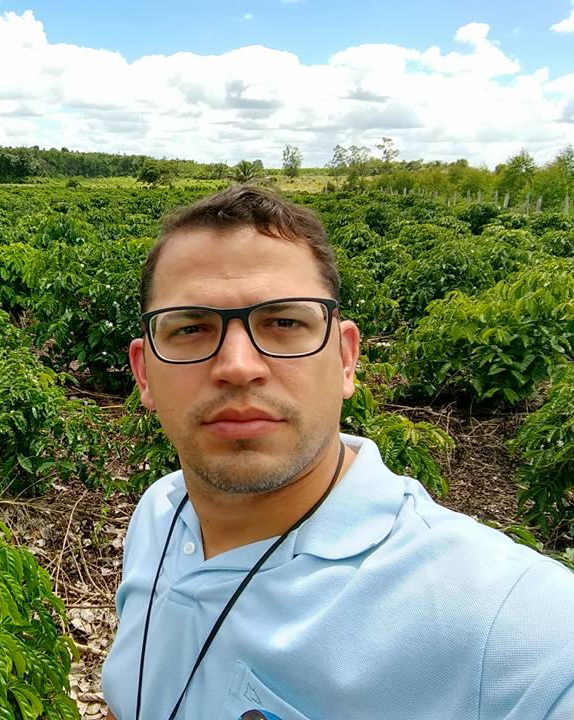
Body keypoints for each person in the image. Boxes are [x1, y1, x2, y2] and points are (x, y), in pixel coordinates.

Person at [100, 185, 574, 720]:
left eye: (283, 323)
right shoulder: (161, 512)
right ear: (144, 372)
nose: (237, 365)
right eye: (190, 327)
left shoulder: (501, 617)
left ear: (345, 358)